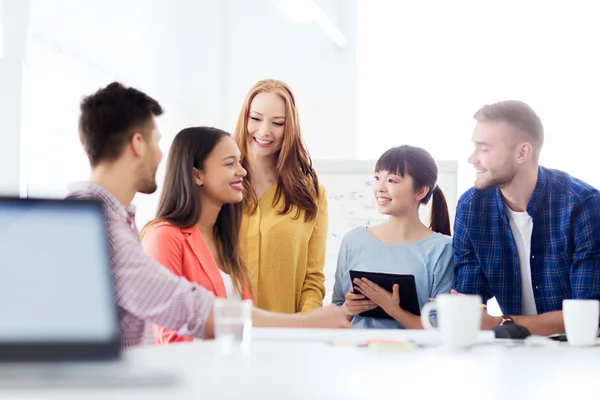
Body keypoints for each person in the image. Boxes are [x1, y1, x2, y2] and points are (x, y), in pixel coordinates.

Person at [67, 82, 351, 347]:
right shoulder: (95, 229)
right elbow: (188, 310)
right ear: (138, 144)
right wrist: (305, 324)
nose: (160, 154)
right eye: (157, 141)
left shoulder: (108, 222)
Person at [453, 100, 600, 336]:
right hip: (514, 350)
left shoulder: (582, 204)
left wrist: (501, 322)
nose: (472, 159)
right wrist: (466, 312)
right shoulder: (471, 207)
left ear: (522, 152)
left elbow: (589, 316)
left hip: (579, 354)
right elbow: (469, 296)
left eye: (484, 149)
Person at [140, 126, 252, 344]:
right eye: (230, 163)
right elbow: (169, 335)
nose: (242, 171)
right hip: (196, 374)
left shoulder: (224, 238)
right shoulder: (163, 237)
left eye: (239, 162)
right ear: (197, 175)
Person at [332, 145, 454, 329]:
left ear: (420, 191)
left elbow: (440, 328)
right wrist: (348, 309)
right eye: (377, 178)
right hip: (355, 353)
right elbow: (337, 309)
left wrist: (392, 309)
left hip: (414, 355)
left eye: (392, 180)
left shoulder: (442, 249)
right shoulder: (354, 240)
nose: (380, 188)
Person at [233, 79, 327, 313]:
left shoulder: (311, 194)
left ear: (290, 128)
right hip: (227, 332)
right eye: (255, 119)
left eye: (277, 123)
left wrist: (305, 325)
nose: (264, 131)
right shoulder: (219, 184)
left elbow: (313, 278)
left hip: (288, 335)